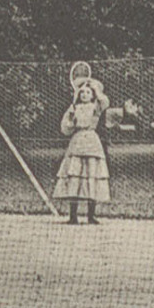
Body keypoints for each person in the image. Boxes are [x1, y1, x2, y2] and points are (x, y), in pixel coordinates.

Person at [54, 78, 110, 225]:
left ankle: (91, 216)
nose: (85, 94)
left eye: (88, 92)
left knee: (92, 176)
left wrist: (97, 90)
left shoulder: (96, 107)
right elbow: (65, 129)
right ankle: (73, 216)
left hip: (92, 143)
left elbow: (105, 102)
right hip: (77, 143)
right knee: (74, 177)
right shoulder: (73, 108)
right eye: (82, 92)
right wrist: (71, 119)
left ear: (93, 95)